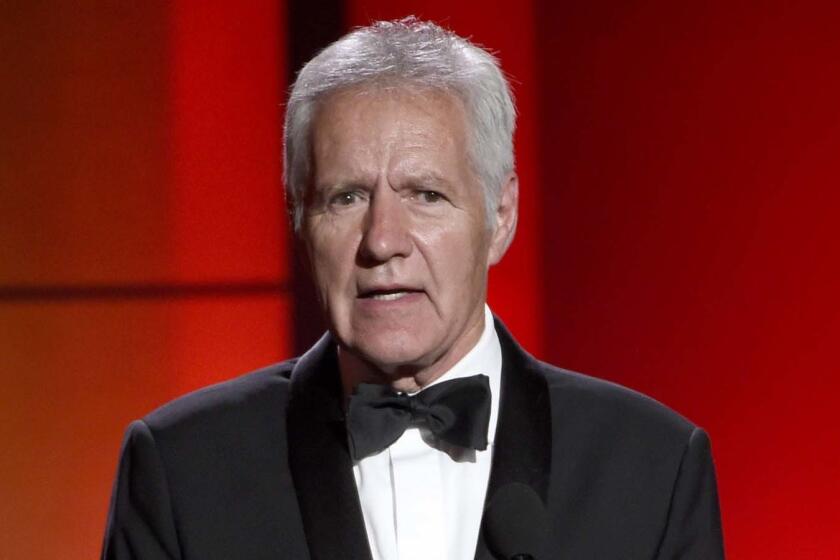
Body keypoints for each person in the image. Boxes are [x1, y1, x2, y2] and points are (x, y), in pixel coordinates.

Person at [102, 18, 724, 560]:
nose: (382, 241)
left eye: (426, 195)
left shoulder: (652, 467)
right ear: (298, 217)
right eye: (345, 198)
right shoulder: (183, 470)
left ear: (500, 215)